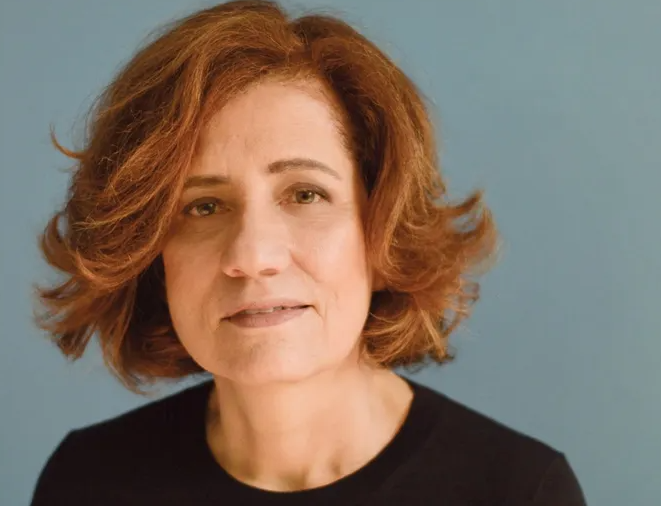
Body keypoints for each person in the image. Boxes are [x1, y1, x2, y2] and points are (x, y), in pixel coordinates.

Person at [29, 1, 586, 504]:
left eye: (305, 195)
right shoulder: (87, 483)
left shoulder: (518, 492)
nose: (253, 255)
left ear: (384, 231)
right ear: (151, 256)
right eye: (203, 206)